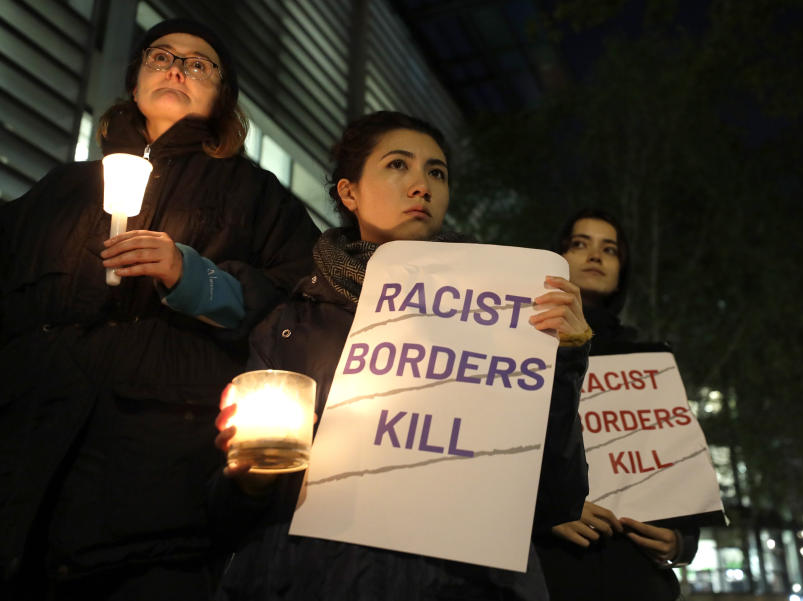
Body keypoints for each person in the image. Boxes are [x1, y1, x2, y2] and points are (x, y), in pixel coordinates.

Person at [210, 110, 590, 600]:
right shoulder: (290, 326)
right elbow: (227, 512)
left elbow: (557, 497)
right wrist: (250, 480)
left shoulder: (507, 318)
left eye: (437, 173)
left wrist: (565, 361)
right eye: (397, 165)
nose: (421, 186)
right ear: (350, 193)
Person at [0, 18, 318, 600]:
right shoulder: (65, 186)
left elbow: (296, 298)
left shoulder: (257, 196)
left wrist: (198, 278)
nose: (177, 68)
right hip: (23, 463)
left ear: (223, 95)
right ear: (135, 78)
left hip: (154, 493)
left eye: (200, 64)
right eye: (162, 55)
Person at [533, 208, 700, 601]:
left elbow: (676, 461)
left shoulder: (650, 361)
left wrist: (682, 540)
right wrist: (545, 512)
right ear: (556, 257)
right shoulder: (519, 347)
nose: (595, 256)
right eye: (580, 244)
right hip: (552, 574)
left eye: (609, 249)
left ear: (622, 268)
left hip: (638, 578)